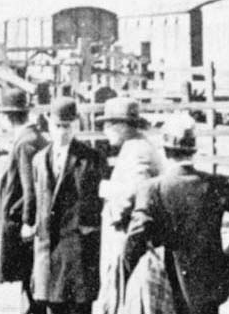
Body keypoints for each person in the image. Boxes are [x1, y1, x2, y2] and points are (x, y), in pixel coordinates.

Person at [123, 113, 229, 314]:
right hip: (208, 285)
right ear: (193, 150)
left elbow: (135, 238)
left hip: (167, 284)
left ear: (165, 150)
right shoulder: (216, 185)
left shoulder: (152, 189)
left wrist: (125, 275)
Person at [29, 96, 105, 314]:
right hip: (48, 249)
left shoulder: (91, 158)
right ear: (49, 125)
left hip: (78, 250)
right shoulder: (39, 159)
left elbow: (98, 201)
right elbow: (37, 201)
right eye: (57, 126)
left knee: (79, 308)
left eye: (67, 126)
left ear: (77, 125)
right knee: (53, 306)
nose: (62, 132)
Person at [97, 97, 163, 314]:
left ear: (123, 125)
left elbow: (135, 191)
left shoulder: (138, 150)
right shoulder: (133, 147)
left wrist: (106, 190)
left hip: (131, 239)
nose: (105, 129)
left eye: (109, 123)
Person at [0, 88, 49, 314]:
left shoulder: (25, 143)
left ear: (6, 117)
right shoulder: (34, 137)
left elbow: (31, 189)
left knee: (29, 281)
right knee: (30, 280)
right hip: (30, 221)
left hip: (24, 224)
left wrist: (28, 222)